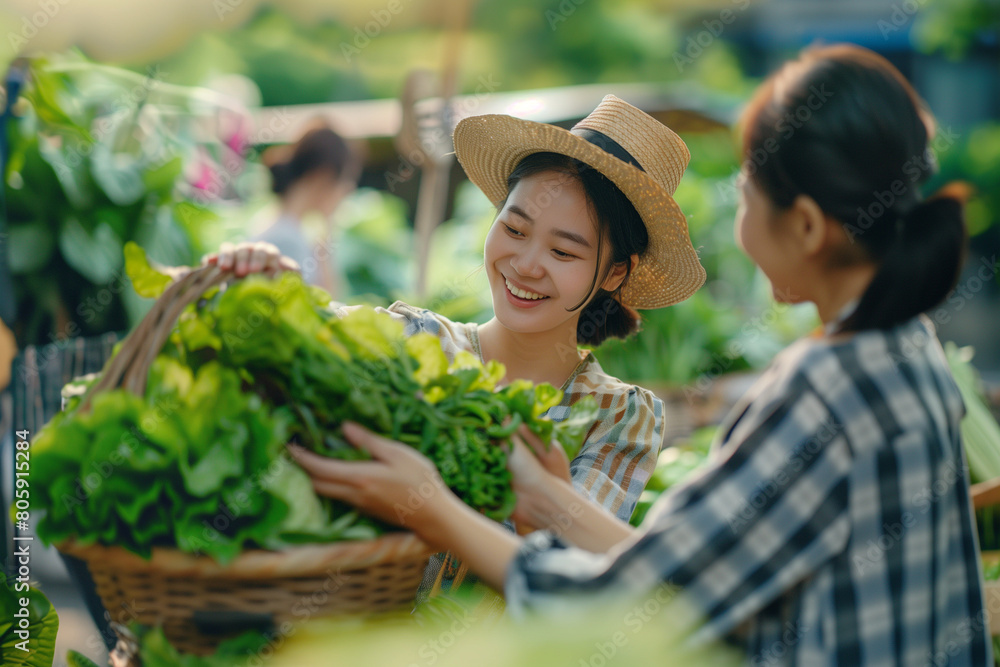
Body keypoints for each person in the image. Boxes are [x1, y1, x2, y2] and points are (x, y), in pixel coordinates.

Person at [287, 44, 991, 665]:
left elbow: (636, 602)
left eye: (745, 196)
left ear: (804, 225)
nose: (530, 263)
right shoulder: (908, 350)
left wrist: (429, 504)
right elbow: (682, 569)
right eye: (517, 227)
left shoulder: (826, 390)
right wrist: (548, 499)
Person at [210, 95, 706, 525]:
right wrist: (265, 286)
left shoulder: (618, 416)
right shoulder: (416, 340)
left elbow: (563, 577)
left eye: (564, 252)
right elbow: (311, 331)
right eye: (514, 230)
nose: (526, 265)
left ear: (616, 273)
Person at [250, 123, 360, 298]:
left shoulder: (284, 227)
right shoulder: (287, 241)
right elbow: (324, 309)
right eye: (345, 179)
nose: (347, 191)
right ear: (324, 176)